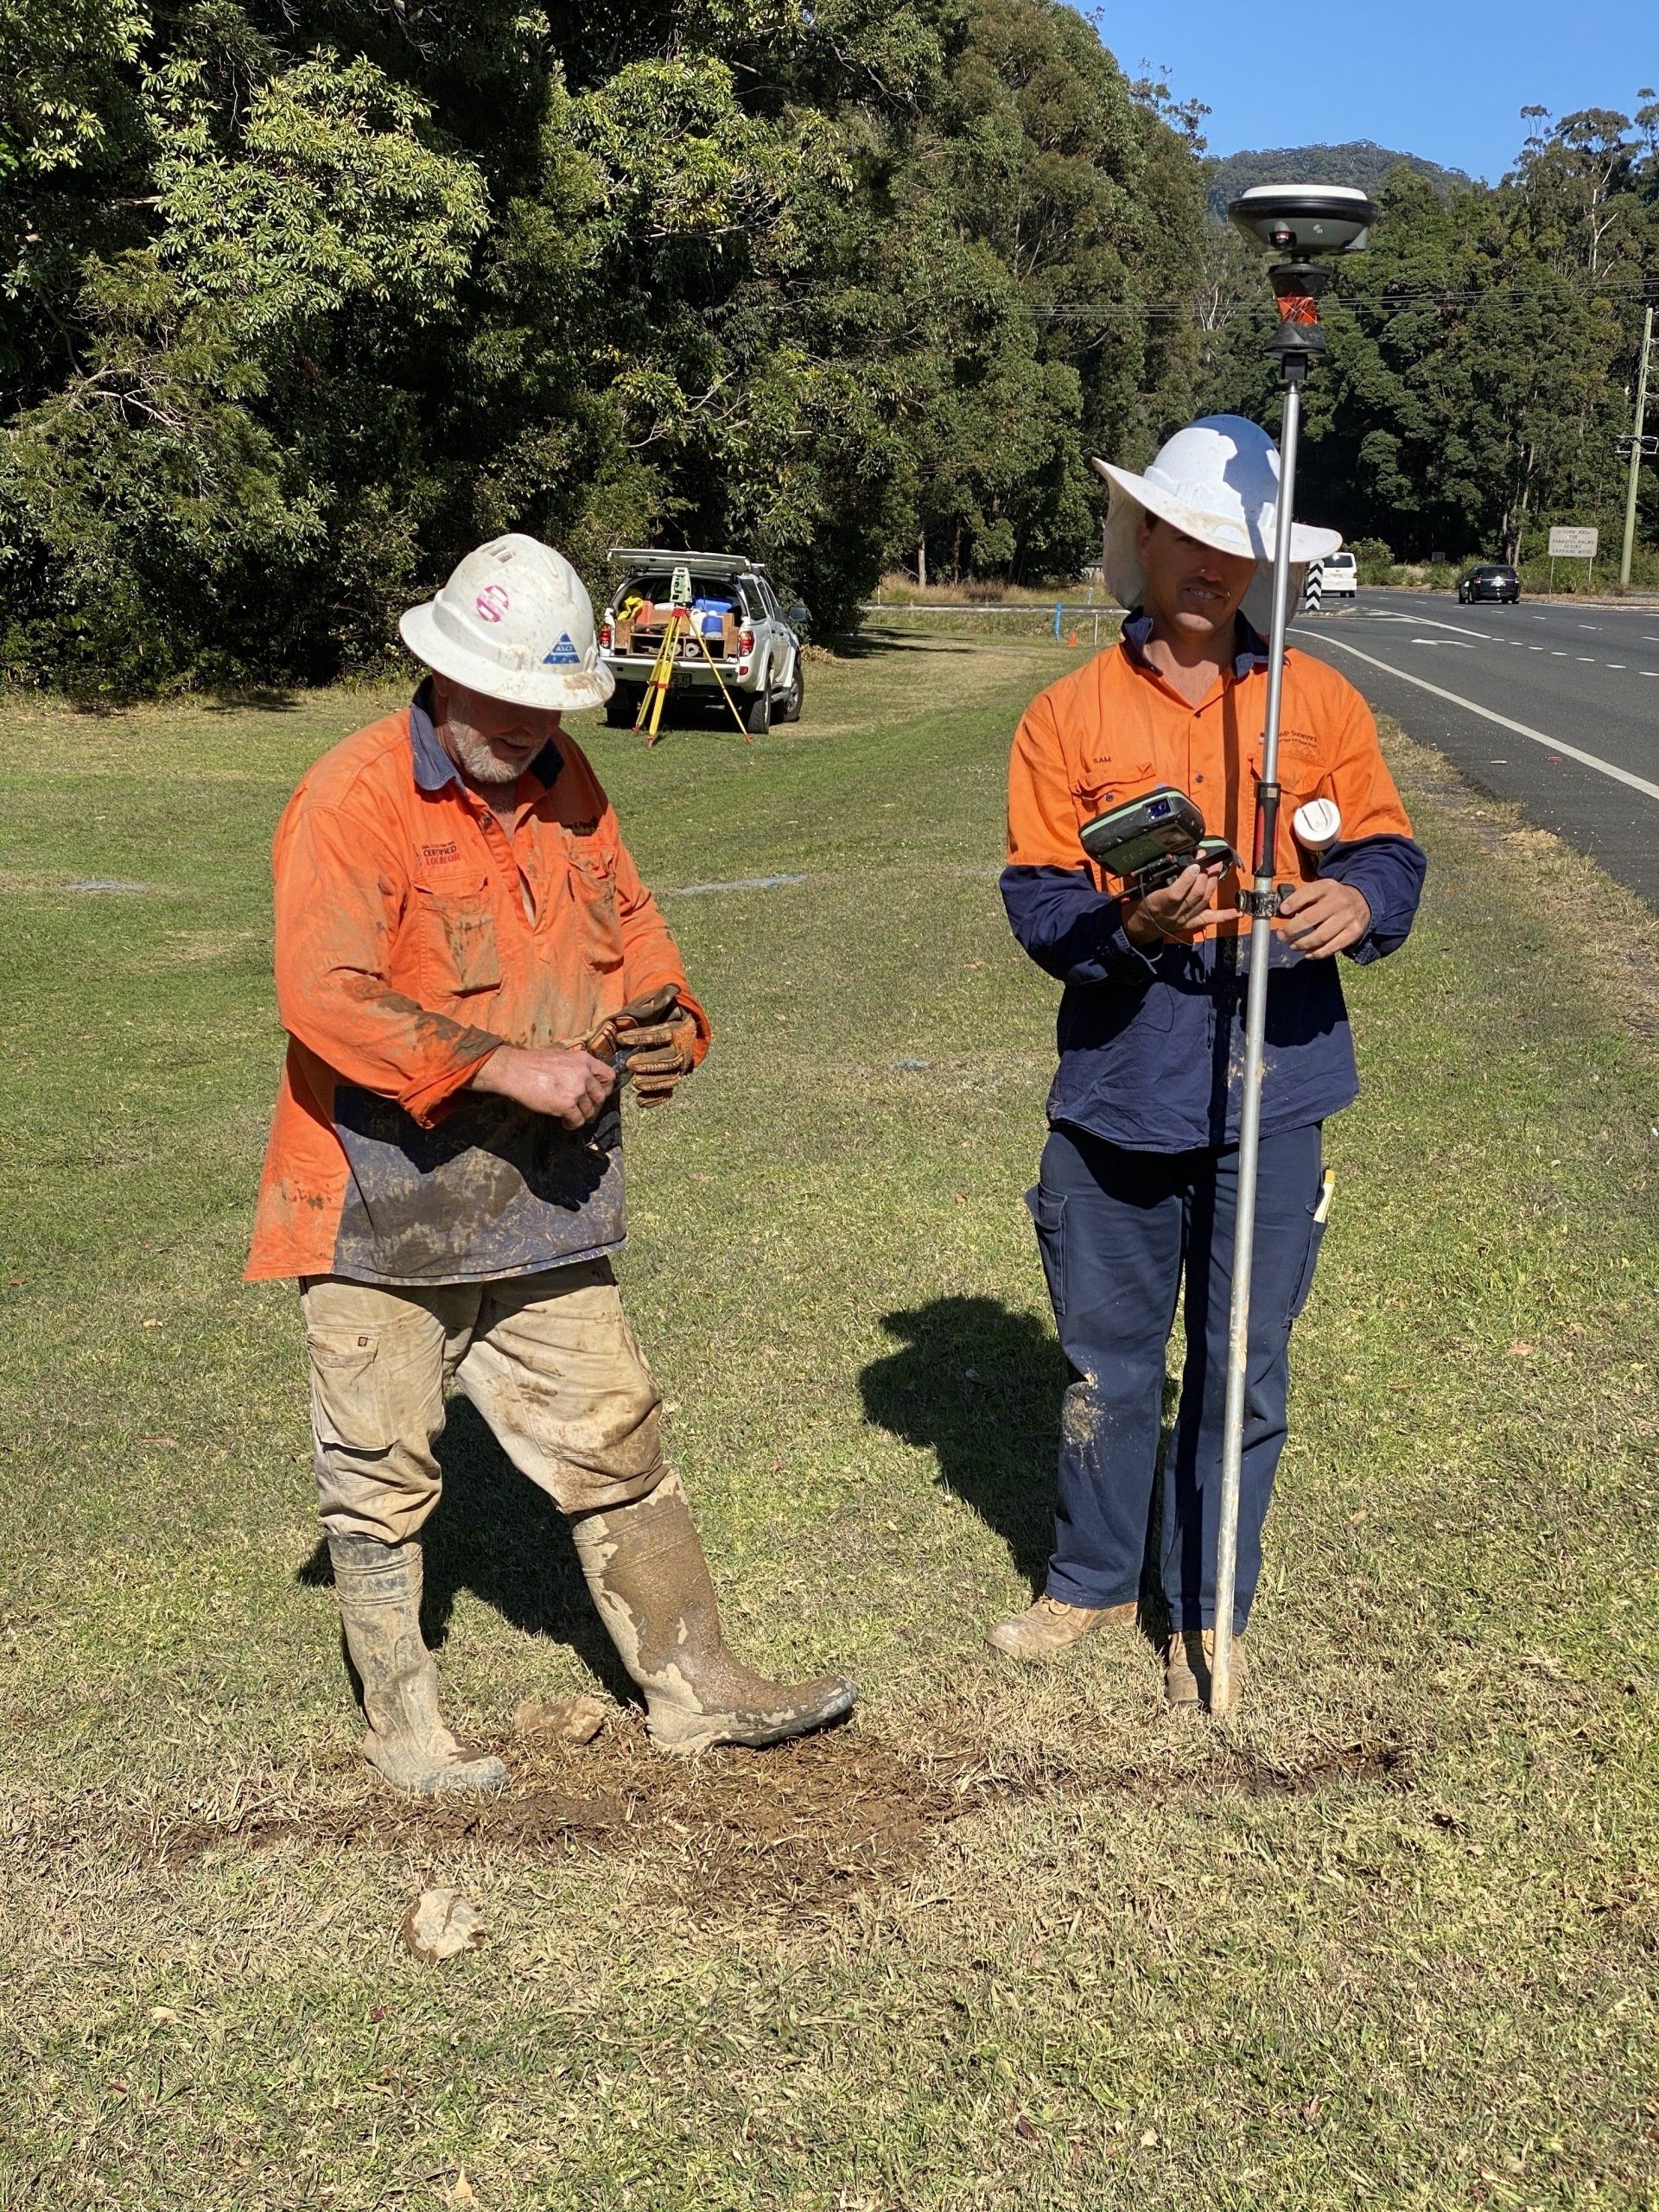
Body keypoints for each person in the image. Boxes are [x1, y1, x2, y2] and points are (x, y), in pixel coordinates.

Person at [247, 533, 855, 1793]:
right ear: (446, 670)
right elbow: (326, 997)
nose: (530, 725)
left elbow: (626, 923)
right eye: (511, 697)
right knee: (382, 1470)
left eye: (550, 703)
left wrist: (671, 1013)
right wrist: (504, 1062)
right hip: (380, 1199)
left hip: (540, 1195)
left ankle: (694, 1688)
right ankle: (405, 1730)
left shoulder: (569, 777)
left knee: (614, 1432)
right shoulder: (352, 798)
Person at [988, 416, 1427, 1709]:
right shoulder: (1066, 716)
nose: (1215, 569)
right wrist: (1128, 925)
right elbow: (1037, 906)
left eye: (1242, 551)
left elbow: (1385, 848)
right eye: (1195, 539)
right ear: (1145, 538)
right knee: (1107, 1358)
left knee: (1244, 1359)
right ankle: (1091, 1581)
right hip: (1125, 1072)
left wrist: (1365, 903)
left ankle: (1209, 1608)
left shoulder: (1319, 699)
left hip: (1277, 1070)